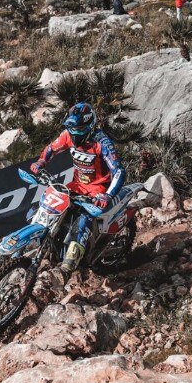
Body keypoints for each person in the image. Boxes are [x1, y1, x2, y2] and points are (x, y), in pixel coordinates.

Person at [30, 103, 125, 278]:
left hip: (98, 189)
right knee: (51, 204)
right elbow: (51, 149)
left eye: (80, 129)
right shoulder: (68, 135)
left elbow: (118, 171)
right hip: (76, 185)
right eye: (72, 128)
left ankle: (68, 267)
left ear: (90, 126)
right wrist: (41, 162)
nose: (75, 133)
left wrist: (108, 195)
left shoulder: (102, 142)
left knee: (84, 220)